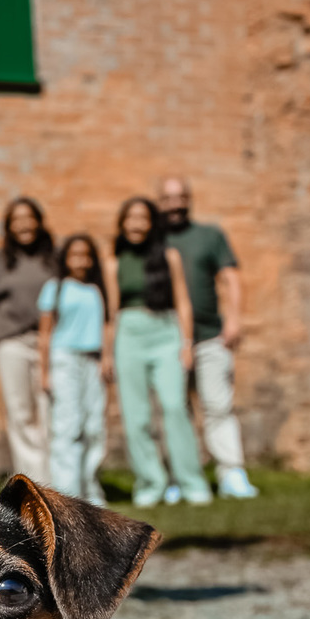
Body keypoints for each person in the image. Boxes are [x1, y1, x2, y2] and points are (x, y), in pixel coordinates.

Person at [159, 176, 258, 499]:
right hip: (167, 339)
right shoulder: (154, 241)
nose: (175, 204)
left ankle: (232, 473)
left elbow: (231, 277)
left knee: (218, 406)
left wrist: (234, 319)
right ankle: (180, 477)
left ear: (189, 200)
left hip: (209, 335)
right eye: (168, 198)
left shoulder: (208, 236)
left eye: (180, 197)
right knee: (176, 410)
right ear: (160, 202)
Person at [112, 197, 210, 507]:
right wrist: (109, 349)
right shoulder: (113, 261)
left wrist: (187, 342)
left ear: (153, 223)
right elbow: (112, 310)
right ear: (122, 223)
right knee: (135, 415)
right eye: (131, 218)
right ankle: (151, 483)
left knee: (174, 407)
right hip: (129, 332)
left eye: (143, 218)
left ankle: (192, 482)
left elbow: (182, 300)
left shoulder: (169, 256)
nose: (137, 224)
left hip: (166, 331)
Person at [0, 197, 55, 483]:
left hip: (49, 341)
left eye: (29, 217)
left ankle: (54, 481)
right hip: (11, 343)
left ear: (39, 221)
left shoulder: (54, 257)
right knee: (20, 413)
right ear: (9, 227)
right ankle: (32, 484)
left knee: (49, 410)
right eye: (17, 219)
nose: (24, 224)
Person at [38, 233, 111, 503]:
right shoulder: (55, 287)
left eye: (86, 255)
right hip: (64, 358)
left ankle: (90, 488)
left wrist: (106, 356)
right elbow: (45, 333)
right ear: (65, 258)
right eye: (75, 254)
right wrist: (45, 371)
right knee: (68, 425)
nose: (81, 260)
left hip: (92, 360)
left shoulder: (96, 289)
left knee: (94, 426)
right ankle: (68, 493)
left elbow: (106, 324)